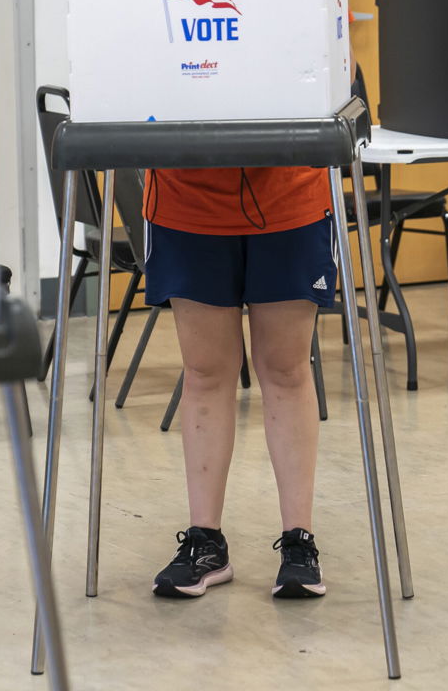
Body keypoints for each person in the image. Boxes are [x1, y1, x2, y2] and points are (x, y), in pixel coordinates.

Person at [143, 156, 337, 599]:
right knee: (205, 372)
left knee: (287, 370)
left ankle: (299, 543)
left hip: (290, 197)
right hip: (187, 201)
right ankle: (205, 541)